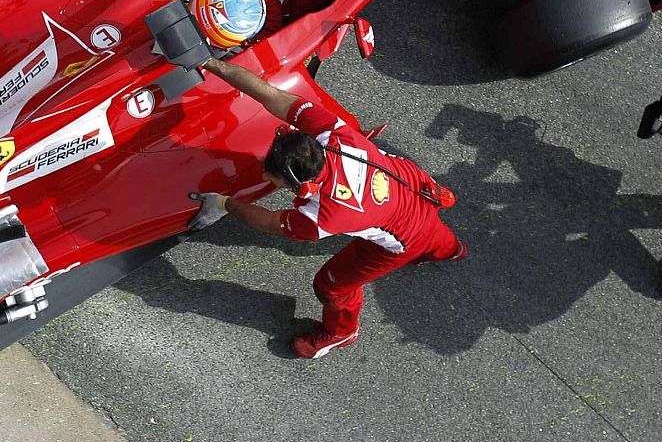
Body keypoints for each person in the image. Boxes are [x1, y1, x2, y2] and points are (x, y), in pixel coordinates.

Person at [187, 57, 464, 358]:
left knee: (331, 287)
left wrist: (226, 203)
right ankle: (454, 251)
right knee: (438, 234)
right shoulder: (330, 132)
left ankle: (341, 332)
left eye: (271, 176)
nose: (265, 176)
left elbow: (267, 222)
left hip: (405, 237)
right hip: (416, 187)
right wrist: (211, 63)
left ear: (301, 185)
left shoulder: (323, 216)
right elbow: (270, 95)